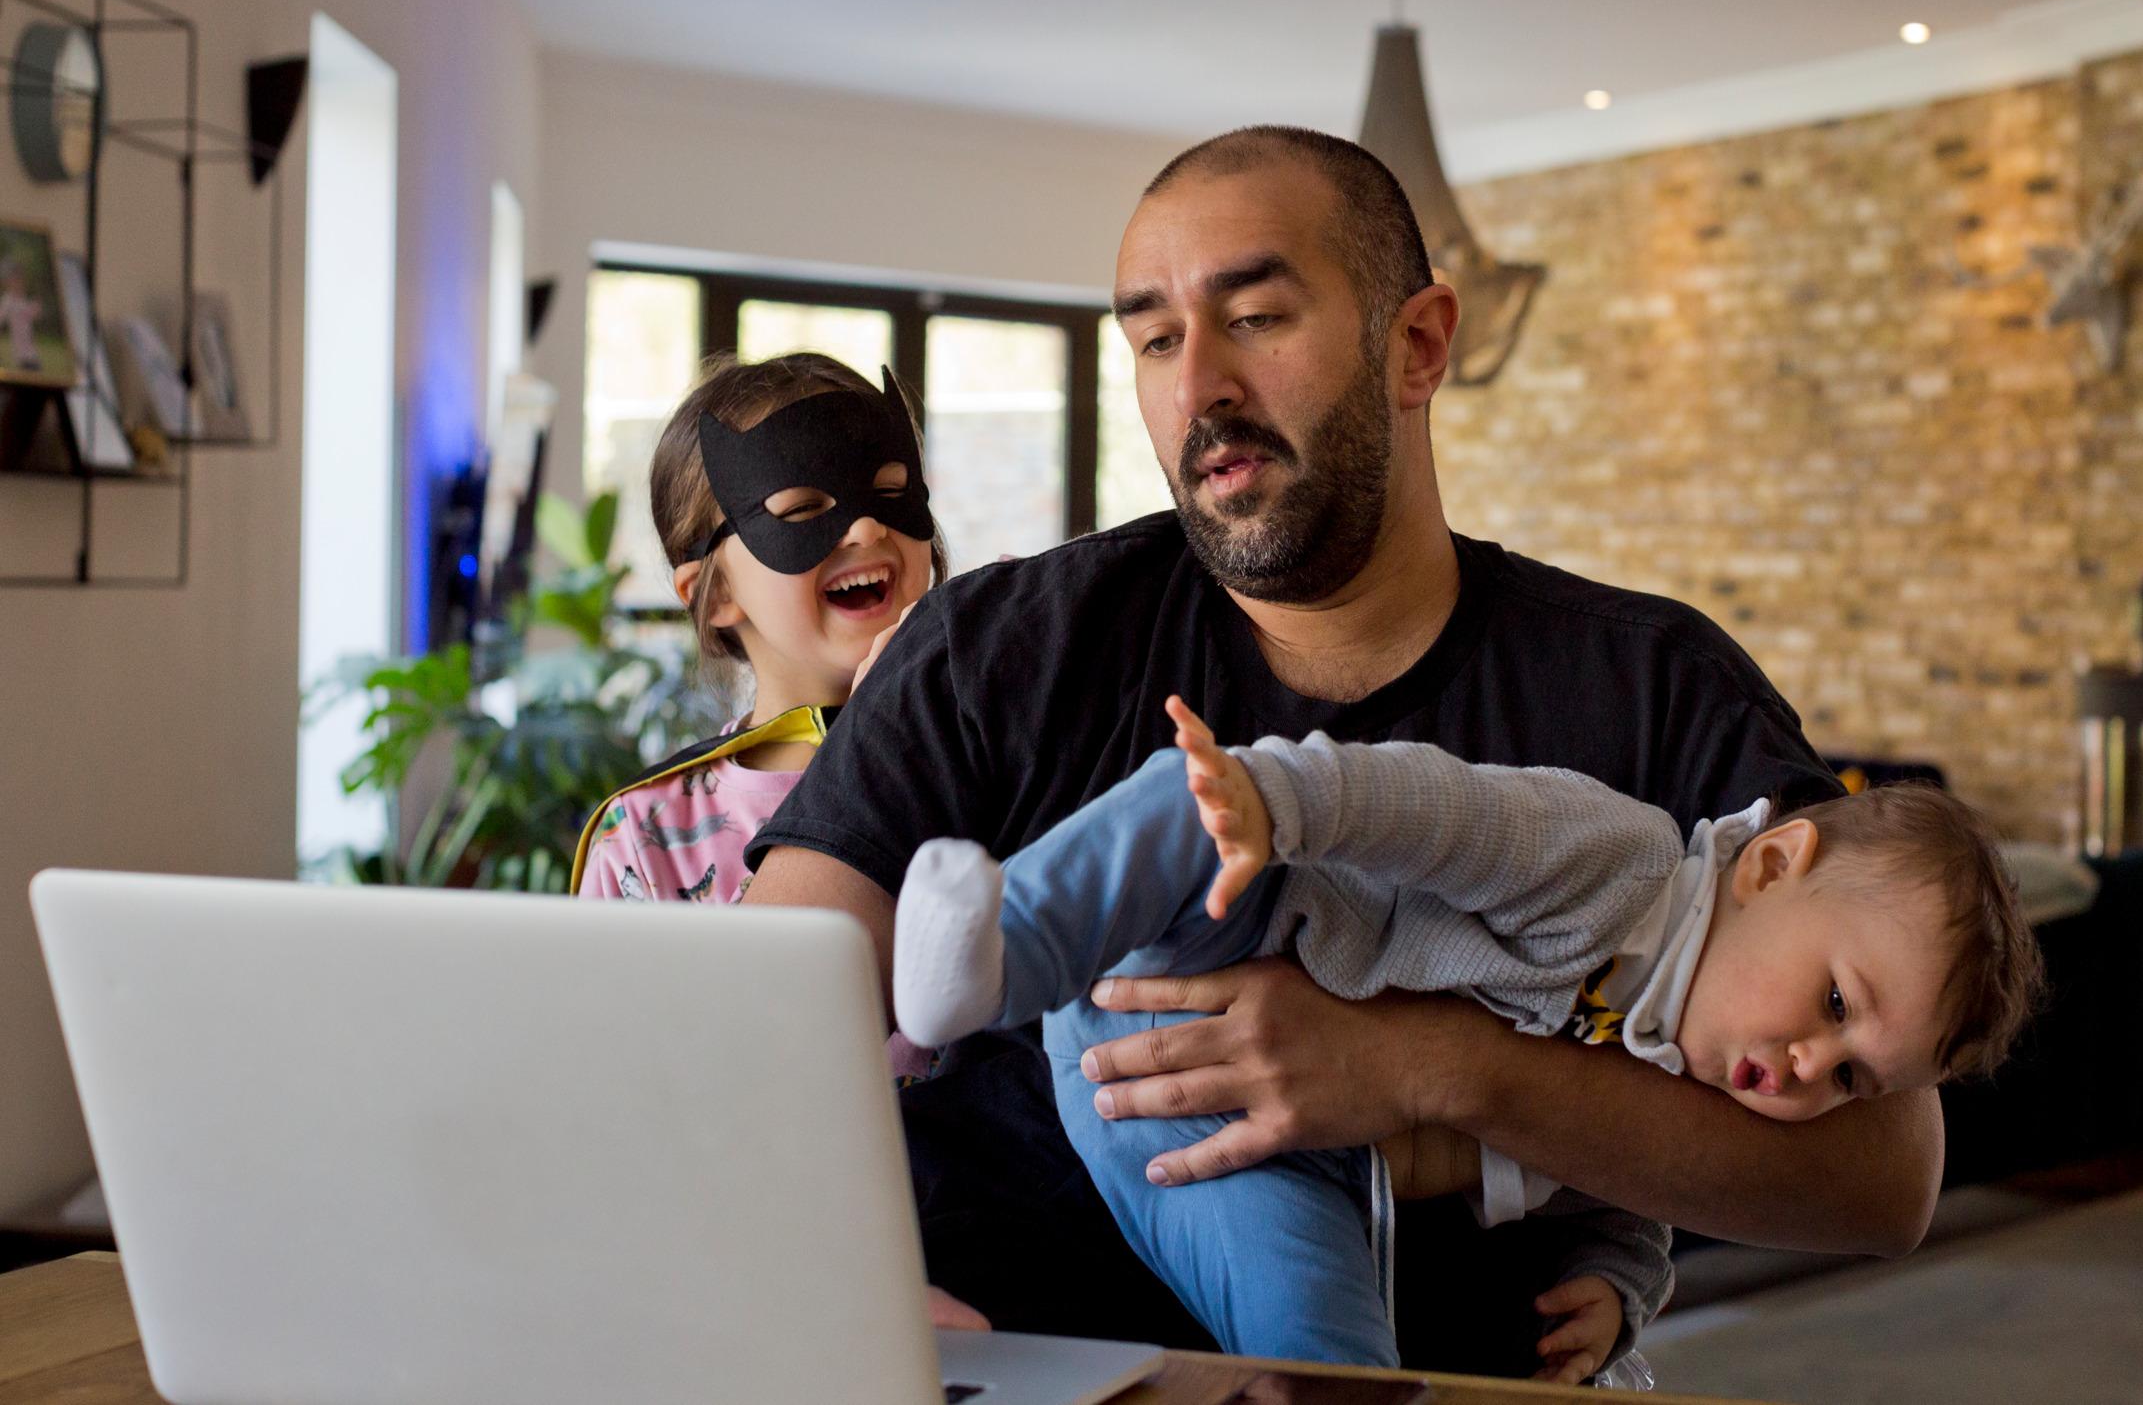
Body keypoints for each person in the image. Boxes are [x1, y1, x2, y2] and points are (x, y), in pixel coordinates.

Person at [744, 125, 1952, 1375]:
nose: (1196, 383)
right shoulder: (1000, 644)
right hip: (1017, 1361)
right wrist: (845, 1283)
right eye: (1155, 338)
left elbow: (1879, 1180)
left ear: (1417, 345)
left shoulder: (1650, 687)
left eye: (1255, 316)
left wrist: (1433, 1068)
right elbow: (748, 1027)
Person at [891, 696, 2039, 1379]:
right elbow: (1431, 805)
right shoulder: (1616, 867)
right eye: (1833, 1005)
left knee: (1326, 1354)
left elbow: (1627, 1189)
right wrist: (1274, 803)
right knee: (1188, 806)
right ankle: (993, 951)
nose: (1805, 1068)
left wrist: (1615, 1282)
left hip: (1216, 1140)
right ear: (1773, 865)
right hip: (1215, 940)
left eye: (1849, 1080)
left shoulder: (1683, 1070)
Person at [570, 352, 943, 908]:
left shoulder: (1006, 758)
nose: (867, 527)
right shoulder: (650, 840)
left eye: (891, 492)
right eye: (801, 511)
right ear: (715, 594)